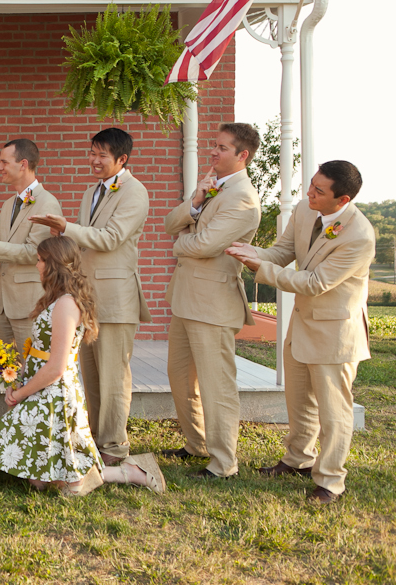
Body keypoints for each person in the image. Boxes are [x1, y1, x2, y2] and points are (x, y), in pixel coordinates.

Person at [225, 161, 374, 504]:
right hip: (303, 323)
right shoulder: (306, 211)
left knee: (333, 412)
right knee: (298, 397)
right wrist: (255, 253)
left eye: (319, 191)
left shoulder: (359, 236)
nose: (309, 194)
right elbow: (282, 252)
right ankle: (298, 459)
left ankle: (331, 481)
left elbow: (315, 282)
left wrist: (262, 269)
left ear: (343, 199)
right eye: (311, 185)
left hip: (336, 332)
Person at [0, 237, 165, 495]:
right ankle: (74, 474)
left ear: (53, 265)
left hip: (54, 394)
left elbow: (57, 367)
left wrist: (21, 393)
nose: (37, 265)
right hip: (39, 388)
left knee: (58, 485)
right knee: (38, 481)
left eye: (40, 260)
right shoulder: (55, 298)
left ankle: (127, 472)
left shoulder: (65, 304)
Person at [29, 128, 152, 465]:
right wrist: (60, 233)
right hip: (86, 297)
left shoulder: (135, 192)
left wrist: (67, 227)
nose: (94, 160)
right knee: (92, 375)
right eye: (92, 153)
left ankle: (114, 447)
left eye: (102, 155)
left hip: (116, 297)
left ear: (122, 159)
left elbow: (111, 238)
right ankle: (96, 438)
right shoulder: (89, 192)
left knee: (114, 376)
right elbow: (83, 239)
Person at [161, 122, 262, 479]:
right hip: (185, 297)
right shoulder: (210, 187)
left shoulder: (244, 200)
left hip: (214, 303)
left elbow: (202, 245)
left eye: (221, 148)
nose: (213, 152)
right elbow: (170, 223)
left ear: (242, 155)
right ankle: (196, 443)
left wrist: (183, 243)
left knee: (216, 384)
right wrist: (195, 203)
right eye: (214, 146)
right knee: (179, 376)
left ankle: (223, 463)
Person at [0, 138, 61, 354]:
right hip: (4, 306)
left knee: (30, 369)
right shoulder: (8, 205)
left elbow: (36, 252)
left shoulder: (47, 203)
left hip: (30, 304)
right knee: (7, 369)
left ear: (23, 164)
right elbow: (2, 245)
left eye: (4, 162)